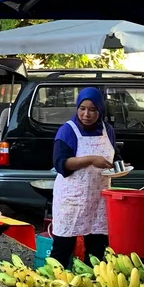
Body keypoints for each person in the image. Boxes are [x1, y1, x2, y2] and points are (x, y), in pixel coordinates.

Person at [50, 87, 118, 267]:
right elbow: (61, 164)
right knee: (63, 247)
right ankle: (55, 285)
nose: (86, 114)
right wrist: (90, 160)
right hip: (73, 199)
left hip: (98, 199)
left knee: (97, 249)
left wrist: (119, 165)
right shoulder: (67, 130)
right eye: (82, 108)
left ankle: (91, 285)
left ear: (100, 110)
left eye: (93, 109)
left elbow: (114, 155)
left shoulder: (107, 130)